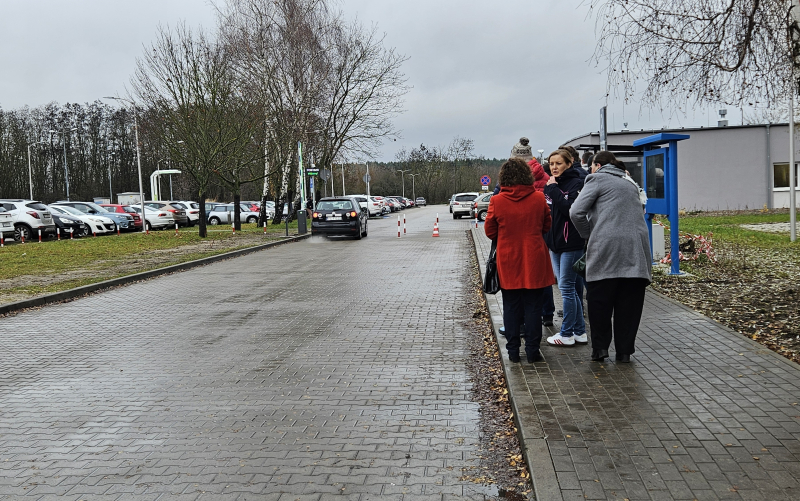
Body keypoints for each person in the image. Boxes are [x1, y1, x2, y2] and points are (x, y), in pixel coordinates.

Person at [569, 151, 652, 362]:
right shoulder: (631, 183)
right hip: (636, 250)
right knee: (629, 305)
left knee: (599, 301)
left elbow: (575, 212)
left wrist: (590, 234)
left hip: (606, 249)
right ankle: (624, 352)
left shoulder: (597, 179)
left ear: (596, 165)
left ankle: (600, 349)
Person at [485, 158, 555, 363]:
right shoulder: (538, 198)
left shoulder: (497, 201)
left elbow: (490, 231)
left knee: (511, 306)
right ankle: (533, 351)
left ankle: (513, 352)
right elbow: (546, 226)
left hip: (508, 259)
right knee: (534, 307)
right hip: (534, 257)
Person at [543, 149, 587, 346]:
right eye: (551, 164)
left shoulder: (577, 183)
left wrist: (552, 190)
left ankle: (566, 333)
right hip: (555, 244)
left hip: (571, 244)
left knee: (567, 288)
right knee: (568, 289)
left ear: (569, 164)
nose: (554, 167)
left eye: (558, 163)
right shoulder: (553, 185)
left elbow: (570, 211)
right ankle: (579, 331)